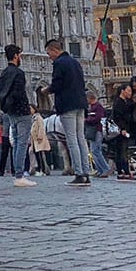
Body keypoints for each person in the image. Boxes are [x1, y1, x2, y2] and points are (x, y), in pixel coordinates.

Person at [42, 39, 90, 186]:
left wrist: (47, 90)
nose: (49, 56)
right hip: (80, 103)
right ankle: (86, 171)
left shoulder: (59, 63)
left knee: (71, 139)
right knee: (81, 138)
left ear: (54, 50)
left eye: (49, 53)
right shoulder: (75, 62)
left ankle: (79, 173)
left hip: (67, 105)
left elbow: (57, 84)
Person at [0, 44, 35, 188]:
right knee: (22, 143)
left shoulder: (4, 72)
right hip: (21, 111)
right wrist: (24, 106)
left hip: (11, 112)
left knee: (17, 143)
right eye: (20, 55)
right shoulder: (18, 73)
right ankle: (19, 175)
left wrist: (6, 106)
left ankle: (17, 173)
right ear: (15, 56)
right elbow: (18, 92)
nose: (21, 58)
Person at [111, 83, 135, 180]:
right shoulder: (118, 102)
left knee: (122, 150)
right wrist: (123, 129)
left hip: (123, 128)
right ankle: (124, 171)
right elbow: (118, 117)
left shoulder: (124, 102)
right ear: (122, 91)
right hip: (121, 129)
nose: (130, 93)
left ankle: (122, 171)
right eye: (128, 91)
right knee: (122, 151)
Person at [84, 92, 110, 179]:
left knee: (96, 150)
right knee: (94, 151)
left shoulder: (97, 107)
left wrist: (87, 120)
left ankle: (105, 168)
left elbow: (99, 118)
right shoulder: (92, 107)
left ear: (90, 98)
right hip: (93, 131)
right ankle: (100, 170)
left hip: (97, 130)